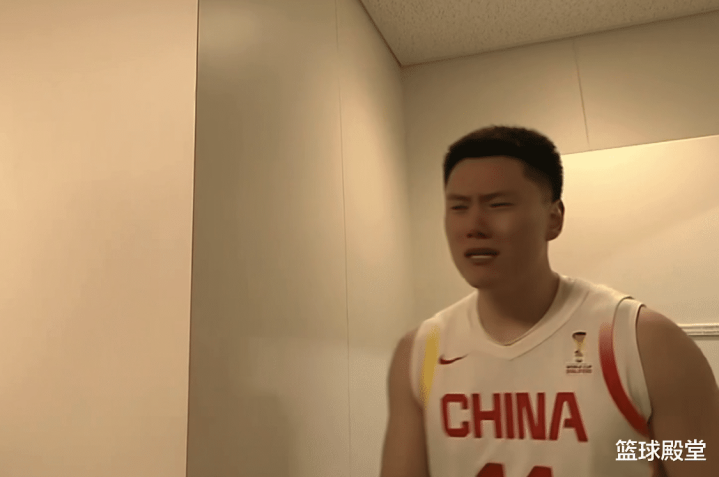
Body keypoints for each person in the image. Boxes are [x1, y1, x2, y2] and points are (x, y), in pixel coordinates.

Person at [379, 126, 719, 477]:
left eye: (498, 204)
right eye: (458, 207)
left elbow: (692, 458)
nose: (474, 226)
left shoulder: (644, 343)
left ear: (554, 218)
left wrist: (624, 449)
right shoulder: (421, 351)